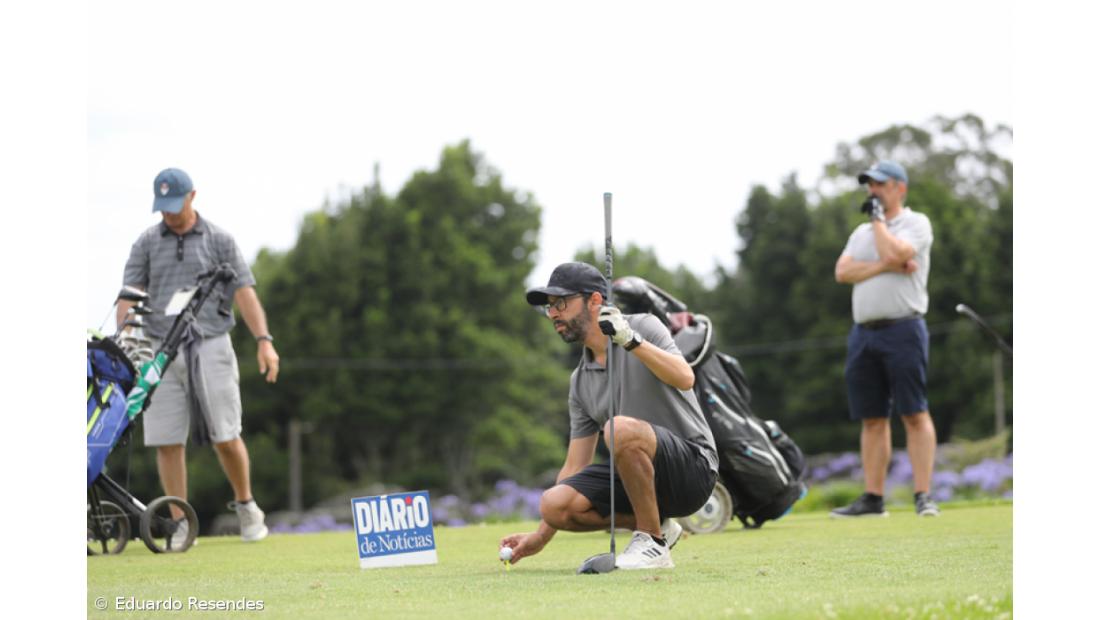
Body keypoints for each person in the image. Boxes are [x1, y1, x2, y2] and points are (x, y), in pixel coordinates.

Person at [501, 262, 718, 569]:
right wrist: (541, 535)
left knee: (619, 429)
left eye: (561, 303)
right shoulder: (579, 382)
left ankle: (651, 544)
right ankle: (659, 528)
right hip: (638, 481)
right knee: (554, 503)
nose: (553, 314)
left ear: (595, 300)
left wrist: (630, 341)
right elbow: (575, 466)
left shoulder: (642, 326)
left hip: (692, 469)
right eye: (549, 307)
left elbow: (685, 377)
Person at [118, 167, 280, 543]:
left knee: (226, 434)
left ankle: (246, 506)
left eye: (175, 205)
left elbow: (245, 292)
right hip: (160, 349)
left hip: (210, 343)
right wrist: (127, 334)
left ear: (193, 197)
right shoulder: (146, 242)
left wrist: (264, 340)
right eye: (163, 207)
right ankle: (181, 524)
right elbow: (129, 294)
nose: (169, 214)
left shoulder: (220, 240)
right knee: (167, 440)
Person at [832, 160, 939, 518]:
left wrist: (881, 229)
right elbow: (843, 271)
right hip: (864, 334)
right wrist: (886, 265)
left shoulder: (916, 223)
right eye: (869, 185)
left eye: (879, 184)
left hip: (904, 329)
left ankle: (923, 495)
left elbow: (898, 251)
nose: (872, 191)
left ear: (899, 188)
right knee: (872, 417)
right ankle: (873, 499)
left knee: (913, 412)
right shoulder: (860, 234)